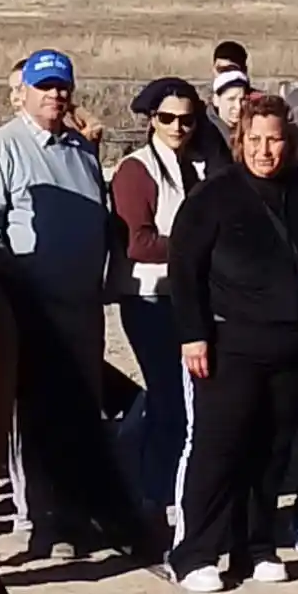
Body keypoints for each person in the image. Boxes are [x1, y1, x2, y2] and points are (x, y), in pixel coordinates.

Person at [168, 94, 298, 593]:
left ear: (292, 142)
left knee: (273, 449)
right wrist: (193, 334)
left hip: (295, 343)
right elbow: (184, 269)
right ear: (240, 141)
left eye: (276, 140)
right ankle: (195, 552)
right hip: (229, 343)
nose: (266, 151)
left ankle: (256, 547)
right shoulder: (214, 195)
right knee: (220, 450)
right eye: (255, 140)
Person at [0, 49, 109, 557]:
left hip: (84, 306)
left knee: (81, 411)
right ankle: (45, 520)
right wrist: (13, 296)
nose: (54, 95)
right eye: (44, 86)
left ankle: (78, 509)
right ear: (22, 91)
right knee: (38, 415)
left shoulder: (81, 150)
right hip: (31, 308)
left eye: (61, 86)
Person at [108, 78, 228, 525]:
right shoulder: (136, 170)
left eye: (187, 119)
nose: (178, 127)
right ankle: (154, 494)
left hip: (186, 294)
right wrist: (196, 246)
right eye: (167, 118)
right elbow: (137, 242)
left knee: (179, 398)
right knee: (169, 398)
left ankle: (145, 474)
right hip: (149, 296)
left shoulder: (198, 164)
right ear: (150, 120)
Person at [208, 69, 249, 144]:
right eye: (231, 99)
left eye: (243, 99)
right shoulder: (205, 135)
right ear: (216, 100)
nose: (238, 106)